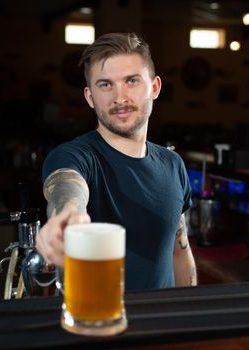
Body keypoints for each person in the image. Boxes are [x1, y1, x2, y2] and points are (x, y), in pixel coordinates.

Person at [36, 32, 196, 290]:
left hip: (163, 324)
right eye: (105, 84)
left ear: (154, 88)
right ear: (90, 97)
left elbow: (179, 251)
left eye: (131, 81)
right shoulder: (74, 156)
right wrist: (66, 217)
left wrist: (191, 313)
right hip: (96, 323)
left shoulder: (172, 164)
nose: (120, 98)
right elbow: (67, 189)